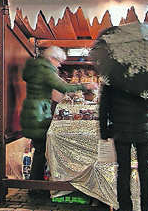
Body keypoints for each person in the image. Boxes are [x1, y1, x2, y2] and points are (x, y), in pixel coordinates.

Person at [19, 45, 95, 198]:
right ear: (52, 59)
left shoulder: (37, 68)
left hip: (35, 110)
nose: (60, 65)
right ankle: (36, 187)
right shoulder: (45, 70)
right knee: (41, 150)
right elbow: (63, 87)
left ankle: (36, 185)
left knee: (40, 149)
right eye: (59, 61)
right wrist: (87, 85)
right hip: (38, 113)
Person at [99, 79, 148, 211]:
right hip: (144, 127)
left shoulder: (113, 75)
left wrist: (104, 130)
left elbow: (104, 106)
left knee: (123, 170)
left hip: (120, 129)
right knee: (145, 169)